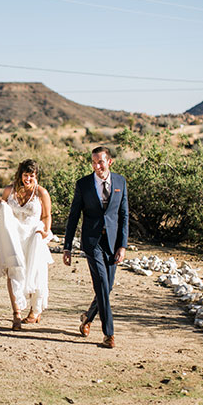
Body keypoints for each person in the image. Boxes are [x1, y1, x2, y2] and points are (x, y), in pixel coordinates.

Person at [63, 146, 128, 349]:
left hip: (113, 242)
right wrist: (67, 246)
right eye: (93, 162)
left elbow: (124, 215)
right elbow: (74, 216)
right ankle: (109, 333)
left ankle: (87, 318)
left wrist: (123, 245)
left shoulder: (120, 182)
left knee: (106, 287)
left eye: (100, 162)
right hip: (92, 242)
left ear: (109, 162)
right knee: (101, 282)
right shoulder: (83, 184)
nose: (96, 166)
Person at [0, 159, 54, 331]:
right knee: (13, 271)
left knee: (35, 272)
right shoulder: (10, 190)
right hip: (14, 237)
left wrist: (45, 231)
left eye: (31, 176)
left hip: (33, 236)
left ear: (36, 176)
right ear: (20, 174)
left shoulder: (41, 193)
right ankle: (16, 313)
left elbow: (46, 215)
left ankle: (35, 310)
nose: (27, 179)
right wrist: (1, 206)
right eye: (25, 175)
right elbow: (2, 206)